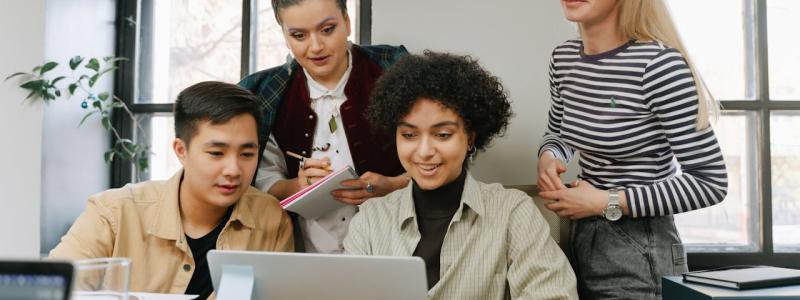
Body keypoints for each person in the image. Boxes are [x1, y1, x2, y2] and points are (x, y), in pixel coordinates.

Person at [344, 51, 578, 299]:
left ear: (470, 138)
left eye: (442, 134)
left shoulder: (512, 213)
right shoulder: (370, 221)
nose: (424, 152)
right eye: (409, 135)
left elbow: (554, 294)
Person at [536, 0, 729, 298]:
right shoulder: (563, 59)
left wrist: (605, 201)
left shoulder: (659, 66)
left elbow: (710, 182)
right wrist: (550, 156)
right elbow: (559, 133)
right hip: (579, 237)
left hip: (641, 249)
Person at [49, 81, 294, 298]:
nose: (233, 169)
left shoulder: (270, 219)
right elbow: (51, 291)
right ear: (181, 150)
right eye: (216, 153)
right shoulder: (114, 212)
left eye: (247, 154)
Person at [239, 0, 410, 253]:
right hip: (304, 256)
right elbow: (262, 178)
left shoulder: (394, 70)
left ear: (347, 22)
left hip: (397, 248)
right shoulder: (264, 92)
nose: (316, 47)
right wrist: (297, 186)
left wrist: (393, 186)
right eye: (299, 35)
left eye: (327, 29)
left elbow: (440, 157)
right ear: (284, 35)